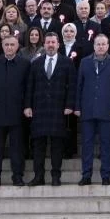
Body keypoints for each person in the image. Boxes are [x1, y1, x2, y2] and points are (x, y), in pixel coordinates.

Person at [25, 32, 76, 186]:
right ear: (44, 44)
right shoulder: (36, 63)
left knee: (57, 145)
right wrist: (28, 106)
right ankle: (38, 176)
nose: (51, 45)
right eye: (48, 42)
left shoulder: (67, 63)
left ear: (58, 44)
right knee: (38, 146)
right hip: (39, 109)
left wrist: (69, 105)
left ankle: (55, 176)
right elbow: (30, 87)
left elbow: (72, 86)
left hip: (58, 110)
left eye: (53, 42)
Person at [0, 35, 30, 187]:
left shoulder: (25, 64)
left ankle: (17, 177)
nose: (9, 47)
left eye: (12, 45)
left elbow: (28, 88)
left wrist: (27, 106)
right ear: (2, 46)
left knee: (17, 148)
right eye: (6, 44)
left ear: (17, 47)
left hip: (17, 113)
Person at [75, 34, 110, 185]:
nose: (101, 47)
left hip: (106, 109)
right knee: (87, 144)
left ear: (107, 46)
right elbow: (79, 85)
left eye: (103, 44)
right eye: (98, 44)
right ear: (94, 46)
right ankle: (86, 175)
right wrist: (77, 106)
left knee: (106, 144)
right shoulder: (84, 62)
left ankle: (106, 175)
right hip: (87, 109)